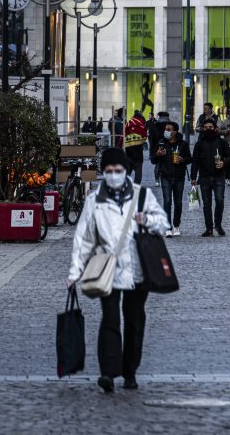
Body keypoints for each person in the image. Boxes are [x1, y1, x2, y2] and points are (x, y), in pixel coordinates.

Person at [67, 148, 169, 393]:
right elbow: (84, 238)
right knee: (110, 320)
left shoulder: (142, 196)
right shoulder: (95, 201)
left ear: (126, 172)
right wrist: (74, 272)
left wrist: (148, 220)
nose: (114, 175)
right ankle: (108, 373)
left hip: (138, 271)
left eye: (118, 170)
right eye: (109, 171)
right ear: (104, 172)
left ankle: (130, 372)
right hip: (108, 269)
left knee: (134, 321)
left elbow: (163, 225)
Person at [190, 119, 230, 236]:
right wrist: (193, 177)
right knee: (207, 204)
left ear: (215, 128)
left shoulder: (222, 142)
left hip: (219, 177)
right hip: (204, 177)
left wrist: (223, 162)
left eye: (210, 127)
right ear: (203, 129)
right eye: (206, 127)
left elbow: (229, 156)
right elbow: (195, 162)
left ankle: (218, 224)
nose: (208, 129)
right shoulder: (199, 144)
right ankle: (209, 228)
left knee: (219, 201)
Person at [151, 121, 191, 237]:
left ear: (174, 132)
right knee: (167, 202)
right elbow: (153, 160)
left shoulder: (183, 144)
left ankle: (176, 225)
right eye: (165, 129)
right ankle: (168, 227)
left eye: (168, 130)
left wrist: (182, 159)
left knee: (178, 202)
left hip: (179, 176)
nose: (166, 131)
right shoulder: (161, 143)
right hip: (165, 176)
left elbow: (189, 158)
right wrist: (157, 154)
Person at [124, 110, 148, 185]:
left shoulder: (128, 124)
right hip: (138, 154)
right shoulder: (141, 125)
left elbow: (122, 137)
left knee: (127, 172)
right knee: (138, 174)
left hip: (128, 152)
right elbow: (144, 136)